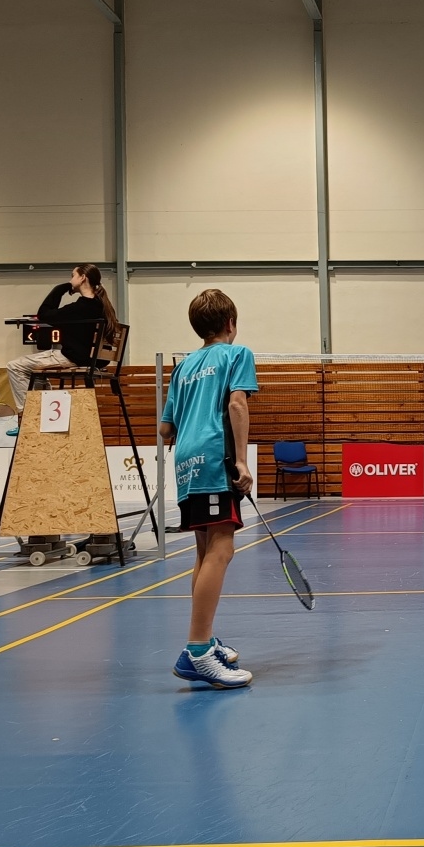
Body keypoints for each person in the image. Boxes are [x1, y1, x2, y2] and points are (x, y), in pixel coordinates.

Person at [160, 288, 258, 688]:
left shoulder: (182, 368)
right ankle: (198, 651)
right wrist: (241, 461)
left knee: (204, 551)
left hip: (186, 462)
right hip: (215, 458)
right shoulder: (237, 354)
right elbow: (237, 404)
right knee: (222, 549)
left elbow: (165, 428)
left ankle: (203, 640)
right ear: (230, 323)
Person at [5, 264, 116, 431]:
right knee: (38, 374)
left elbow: (44, 314)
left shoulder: (79, 308)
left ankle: (26, 418)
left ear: (82, 278)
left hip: (73, 358)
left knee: (14, 366)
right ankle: (45, 416)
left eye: (72, 276)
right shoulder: (102, 306)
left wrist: (61, 288)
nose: (70, 280)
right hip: (93, 360)